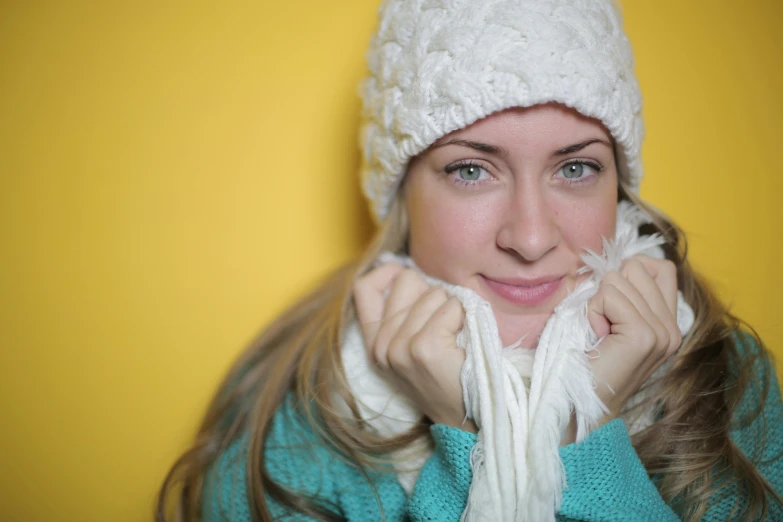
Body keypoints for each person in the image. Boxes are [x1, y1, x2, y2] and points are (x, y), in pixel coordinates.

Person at [157, 0, 783, 520]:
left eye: (575, 167)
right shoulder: (296, 424)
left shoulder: (726, 380)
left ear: (617, 185)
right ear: (402, 195)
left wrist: (582, 436)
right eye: (471, 169)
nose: (531, 238)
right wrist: (469, 436)